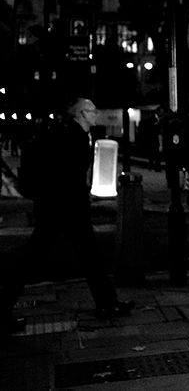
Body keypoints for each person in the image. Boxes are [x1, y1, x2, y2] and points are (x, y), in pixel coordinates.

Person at [0, 98, 134, 335]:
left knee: (87, 255)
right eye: (92, 111)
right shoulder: (71, 136)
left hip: (61, 206)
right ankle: (2, 308)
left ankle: (107, 303)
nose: (96, 115)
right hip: (62, 208)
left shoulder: (72, 133)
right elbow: (66, 174)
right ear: (82, 113)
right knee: (34, 257)